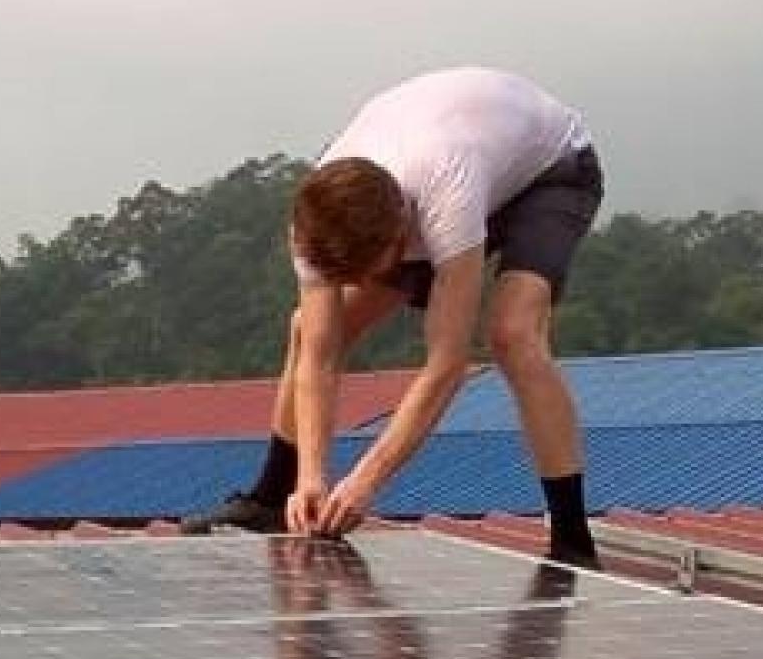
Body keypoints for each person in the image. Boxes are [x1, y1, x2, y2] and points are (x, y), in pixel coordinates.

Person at [184, 67, 605, 567]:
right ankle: (273, 497)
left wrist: (365, 480)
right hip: (463, 157)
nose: (361, 284)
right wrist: (312, 480)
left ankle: (574, 540)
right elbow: (320, 351)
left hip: (550, 170)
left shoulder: (447, 194)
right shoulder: (312, 221)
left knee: (512, 333)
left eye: (369, 271)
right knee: (307, 326)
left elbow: (446, 364)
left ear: (403, 236)